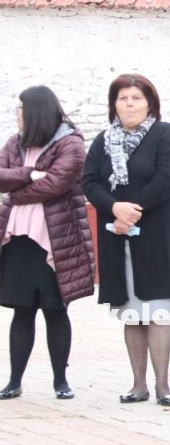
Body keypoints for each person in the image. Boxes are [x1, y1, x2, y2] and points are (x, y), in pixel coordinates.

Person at [82, 74, 170, 407]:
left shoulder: (164, 135)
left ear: (149, 103)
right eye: (123, 98)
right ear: (114, 105)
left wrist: (131, 211)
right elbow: (90, 181)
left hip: (156, 235)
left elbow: (167, 178)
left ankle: (163, 386)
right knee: (131, 313)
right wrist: (114, 208)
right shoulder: (104, 140)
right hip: (117, 236)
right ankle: (138, 385)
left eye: (136, 98)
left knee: (157, 311)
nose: (129, 104)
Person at [0, 85, 94, 400]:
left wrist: (16, 191)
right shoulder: (15, 143)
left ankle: (60, 381)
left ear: (36, 111)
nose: (17, 114)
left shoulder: (71, 143)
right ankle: (14, 381)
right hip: (18, 240)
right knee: (22, 311)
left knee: (55, 310)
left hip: (56, 241)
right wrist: (30, 174)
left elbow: (56, 184)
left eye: (20, 108)